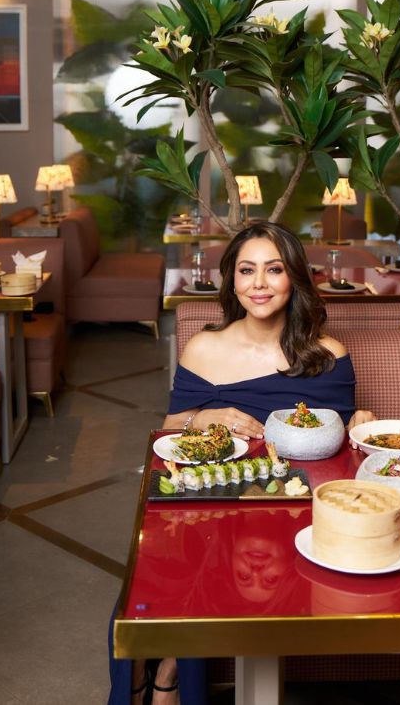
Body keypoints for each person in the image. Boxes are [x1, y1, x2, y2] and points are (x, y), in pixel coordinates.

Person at [109, 221, 375, 705]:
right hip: (212, 499)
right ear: (232, 280)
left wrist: (361, 424)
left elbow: (334, 446)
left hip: (291, 508)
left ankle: (170, 670)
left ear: (294, 277)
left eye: (274, 269)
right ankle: (145, 670)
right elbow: (169, 435)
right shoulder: (204, 347)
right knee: (155, 576)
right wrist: (201, 418)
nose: (259, 284)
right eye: (247, 270)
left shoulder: (327, 354)